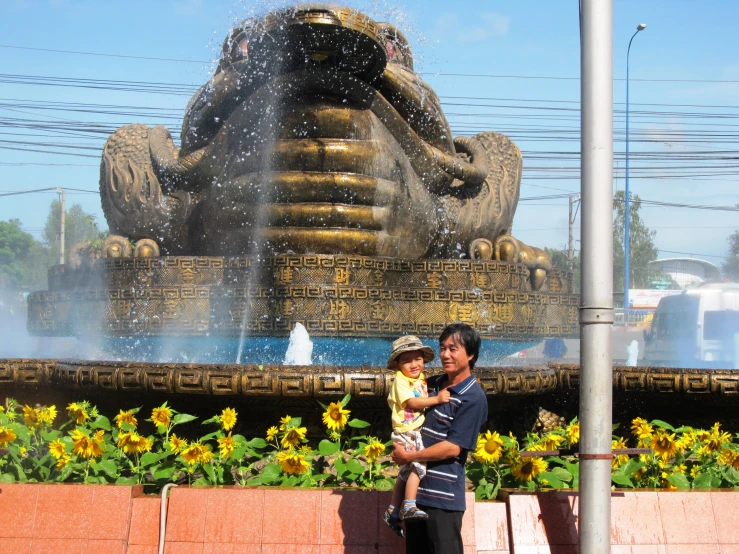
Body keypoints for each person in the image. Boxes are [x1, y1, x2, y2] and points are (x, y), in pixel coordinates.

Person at [391, 323, 488, 554]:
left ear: (471, 354)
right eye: (443, 348)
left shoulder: (473, 398)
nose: (445, 355)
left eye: (453, 349)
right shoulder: (429, 385)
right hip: (415, 499)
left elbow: (453, 448)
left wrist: (408, 456)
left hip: (443, 500)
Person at [383, 335, 451, 537]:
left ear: (424, 359)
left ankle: (392, 511)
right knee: (419, 465)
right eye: (407, 361)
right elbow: (412, 403)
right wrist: (437, 399)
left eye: (417, 359)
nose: (414, 364)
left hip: (409, 430)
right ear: (397, 364)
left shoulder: (418, 378)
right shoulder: (400, 381)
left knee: (405, 472)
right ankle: (409, 506)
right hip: (408, 431)